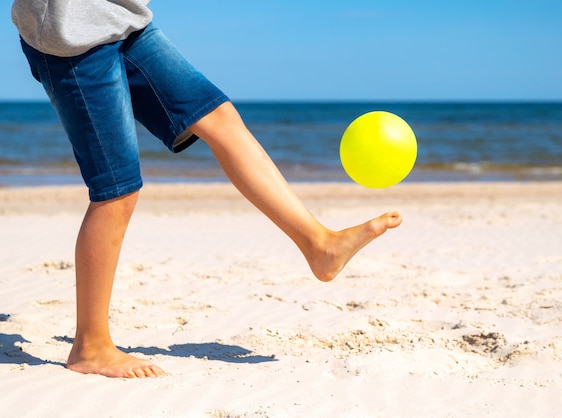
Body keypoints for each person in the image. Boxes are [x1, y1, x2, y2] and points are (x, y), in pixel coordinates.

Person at [11, 0, 402, 378]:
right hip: (72, 36)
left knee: (220, 118)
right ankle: (90, 346)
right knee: (117, 189)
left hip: (124, 18)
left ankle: (320, 245)